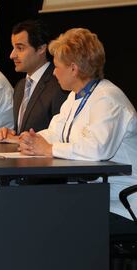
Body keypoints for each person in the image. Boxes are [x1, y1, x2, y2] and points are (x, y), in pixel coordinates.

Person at [18, 28, 137, 223]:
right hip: (93, 195)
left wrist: (48, 149)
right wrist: (30, 140)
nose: (54, 72)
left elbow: (98, 149)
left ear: (73, 69)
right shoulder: (75, 96)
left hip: (121, 203)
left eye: (56, 66)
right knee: (39, 210)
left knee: (51, 220)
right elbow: (56, 132)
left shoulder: (108, 99)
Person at [0, 20, 67, 143]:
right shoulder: (20, 86)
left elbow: (61, 136)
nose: (12, 55)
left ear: (41, 48)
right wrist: (11, 134)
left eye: (20, 48)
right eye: (13, 48)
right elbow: (23, 132)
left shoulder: (60, 84)